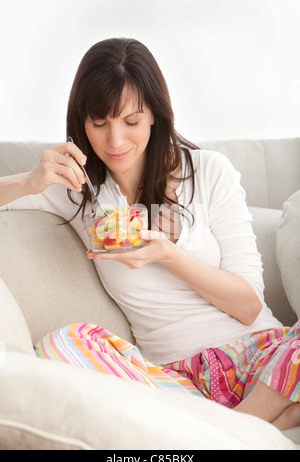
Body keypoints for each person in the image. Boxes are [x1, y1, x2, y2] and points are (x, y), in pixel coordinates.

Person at [1, 38, 299, 431]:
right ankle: (266, 426)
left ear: (155, 114)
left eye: (131, 121)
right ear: (82, 122)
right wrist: (29, 180)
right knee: (62, 343)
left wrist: (167, 255)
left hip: (262, 364)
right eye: (99, 123)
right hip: (175, 383)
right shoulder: (79, 191)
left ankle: (235, 430)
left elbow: (247, 306)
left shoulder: (209, 172)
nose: (116, 141)